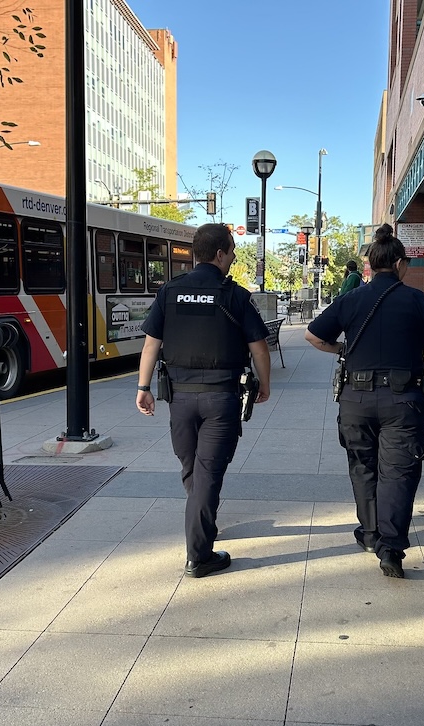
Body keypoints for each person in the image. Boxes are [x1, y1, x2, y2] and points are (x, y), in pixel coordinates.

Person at [304, 223, 424, 578]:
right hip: (403, 402)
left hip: (355, 400)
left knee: (363, 467)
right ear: (400, 263)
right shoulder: (421, 302)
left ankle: (370, 534)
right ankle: (391, 548)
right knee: (398, 473)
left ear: (370, 264)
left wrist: (342, 349)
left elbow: (312, 336)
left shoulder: (351, 299)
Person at [136, 223, 272, 578]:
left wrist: (143, 387)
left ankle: (201, 518)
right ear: (220, 254)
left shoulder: (169, 291)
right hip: (220, 398)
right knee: (207, 473)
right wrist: (265, 384)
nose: (233, 257)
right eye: (232, 251)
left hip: (179, 399)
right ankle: (198, 556)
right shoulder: (236, 295)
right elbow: (259, 347)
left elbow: (151, 344)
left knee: (191, 467)